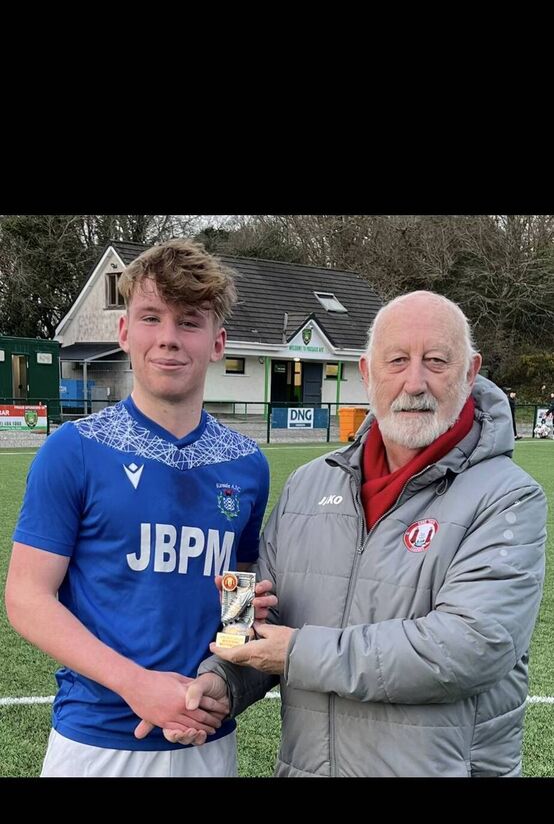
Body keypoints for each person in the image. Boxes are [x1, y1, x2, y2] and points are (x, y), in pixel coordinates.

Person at [182, 290, 547, 778]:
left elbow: (469, 647)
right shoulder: (308, 484)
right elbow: (259, 616)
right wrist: (222, 680)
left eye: (436, 361)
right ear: (367, 372)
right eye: (396, 360)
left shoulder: (509, 497)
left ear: (470, 371)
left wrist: (295, 653)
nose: (414, 382)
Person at [4, 239, 273, 777]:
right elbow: (26, 598)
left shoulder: (247, 464)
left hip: (207, 738)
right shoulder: (74, 449)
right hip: (97, 741)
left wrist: (222, 679)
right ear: (125, 332)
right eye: (152, 318)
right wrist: (136, 684)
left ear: (218, 343)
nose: (168, 339)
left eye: (189, 322)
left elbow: (238, 590)